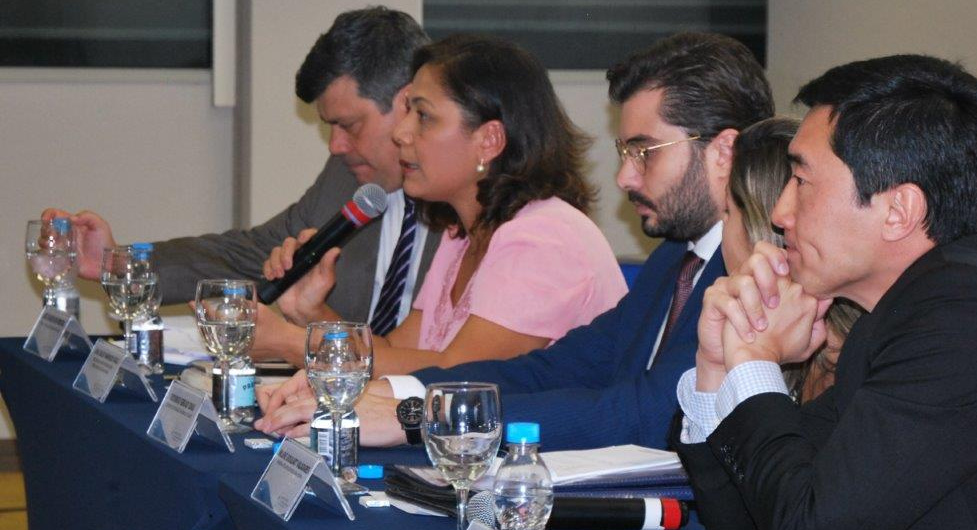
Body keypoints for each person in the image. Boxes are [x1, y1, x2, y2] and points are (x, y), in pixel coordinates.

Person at [676, 55, 977, 530]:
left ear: (898, 210)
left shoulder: (967, 313)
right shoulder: (911, 309)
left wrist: (755, 364)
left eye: (802, 181)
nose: (781, 213)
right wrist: (716, 367)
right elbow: (743, 521)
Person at [256, 31, 774, 451]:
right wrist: (388, 393)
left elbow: (644, 413)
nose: (624, 178)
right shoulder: (674, 262)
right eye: (625, 153)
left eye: (645, 152)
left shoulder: (755, 274)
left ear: (724, 152)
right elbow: (554, 369)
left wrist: (415, 415)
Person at [42, 7, 440, 354]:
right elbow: (248, 254)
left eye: (348, 125)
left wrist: (290, 339)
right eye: (329, 127)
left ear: (408, 103)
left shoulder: (466, 205)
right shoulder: (347, 178)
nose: (336, 146)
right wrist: (120, 264)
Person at [256, 33, 626, 399]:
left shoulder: (545, 239)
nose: (401, 133)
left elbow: (460, 379)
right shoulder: (461, 233)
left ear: (489, 140)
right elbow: (394, 351)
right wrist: (311, 311)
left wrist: (291, 344)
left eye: (423, 116)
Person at [720, 116, 860, 401]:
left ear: (758, 229)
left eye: (727, 212)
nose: (722, 227)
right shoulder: (854, 348)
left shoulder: (844, 373)